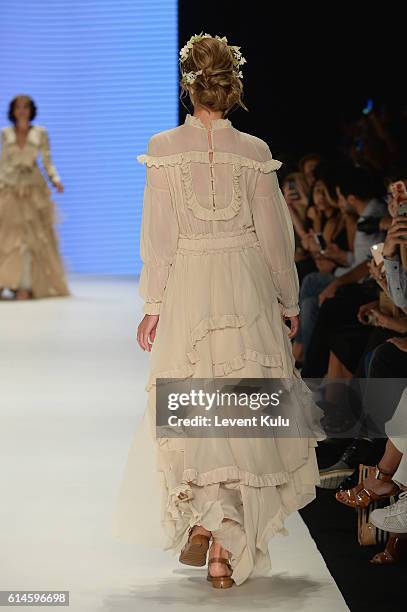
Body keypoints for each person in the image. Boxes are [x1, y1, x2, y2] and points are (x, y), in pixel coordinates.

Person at [113, 33, 321, 589]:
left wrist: (153, 304)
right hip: (246, 284)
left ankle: (206, 518)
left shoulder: (163, 148)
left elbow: (158, 239)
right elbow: (277, 239)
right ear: (233, 86)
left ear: (190, 87)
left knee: (197, 403)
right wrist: (287, 298)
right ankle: (225, 550)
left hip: (190, 284)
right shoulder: (253, 151)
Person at [0, 95, 69, 299]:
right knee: (7, 236)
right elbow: (3, 161)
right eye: (18, 107)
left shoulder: (40, 133)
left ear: (31, 110)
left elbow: (47, 160)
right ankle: (5, 280)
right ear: (12, 111)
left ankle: (26, 284)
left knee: (32, 237)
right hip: (10, 187)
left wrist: (55, 179)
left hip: (32, 188)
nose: (22, 110)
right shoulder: (6, 133)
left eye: (26, 107)